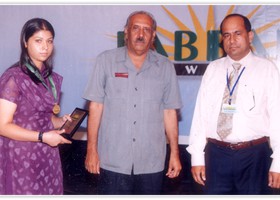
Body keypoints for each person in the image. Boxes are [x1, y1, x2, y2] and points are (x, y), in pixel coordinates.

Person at [83, 10, 182, 194]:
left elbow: (170, 112)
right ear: (126, 32)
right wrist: (91, 150)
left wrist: (175, 154)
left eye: (147, 29)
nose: (141, 34)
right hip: (113, 160)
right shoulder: (106, 61)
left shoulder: (165, 67)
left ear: (153, 35)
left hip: (151, 163)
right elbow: (95, 106)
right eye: (136, 28)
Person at [187, 13, 280, 194]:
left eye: (237, 33)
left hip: (254, 156)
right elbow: (200, 116)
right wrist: (197, 157)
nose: (232, 40)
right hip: (216, 155)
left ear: (250, 36)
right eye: (227, 35)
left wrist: (278, 161)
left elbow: (278, 116)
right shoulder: (213, 69)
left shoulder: (267, 69)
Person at [0, 18, 72, 195]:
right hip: (21, 155)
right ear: (25, 43)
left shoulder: (50, 78)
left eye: (49, 41)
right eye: (38, 41)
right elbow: (2, 126)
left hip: (48, 153)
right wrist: (42, 137)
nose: (45, 47)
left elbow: (44, 118)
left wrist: (60, 121)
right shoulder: (14, 77)